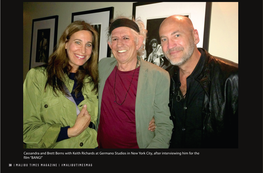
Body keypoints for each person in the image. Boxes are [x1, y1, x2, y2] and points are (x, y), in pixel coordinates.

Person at [159, 15, 238, 148]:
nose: (170, 45)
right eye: (164, 39)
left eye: (177, 35)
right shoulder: (164, 77)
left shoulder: (232, 78)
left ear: (195, 36)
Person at [97, 17, 173, 148]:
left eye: (126, 38)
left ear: (138, 43)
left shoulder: (158, 76)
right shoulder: (102, 66)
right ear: (110, 44)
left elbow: (164, 128)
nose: (119, 44)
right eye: (115, 39)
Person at [23, 21, 99, 148]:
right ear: (65, 43)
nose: (83, 50)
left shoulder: (92, 81)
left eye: (88, 45)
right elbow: (27, 129)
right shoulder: (38, 77)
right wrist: (71, 131)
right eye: (78, 42)